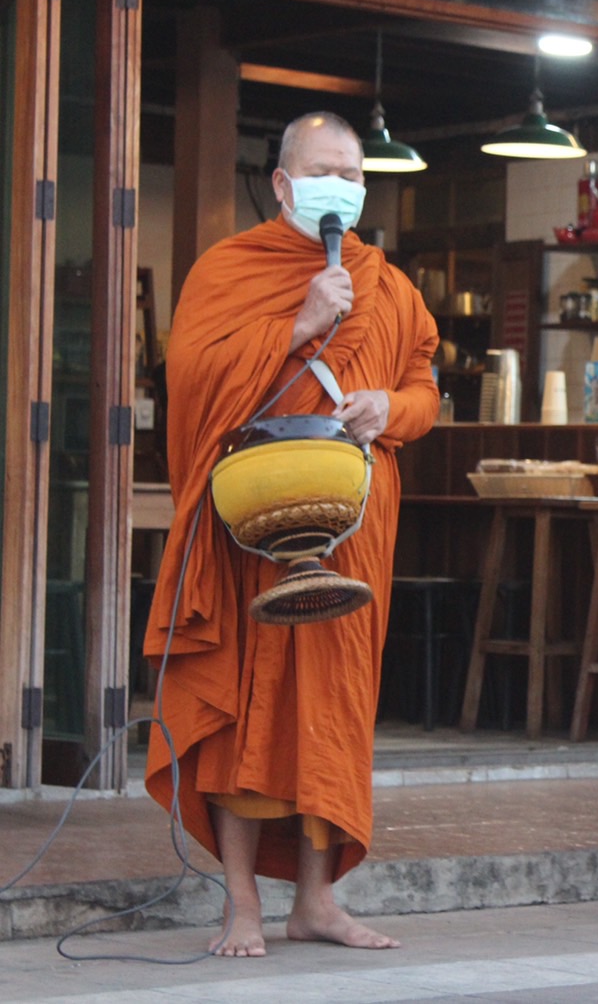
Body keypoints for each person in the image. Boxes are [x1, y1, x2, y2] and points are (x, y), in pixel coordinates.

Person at [143, 112, 440, 956]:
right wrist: (300, 324)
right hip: (254, 524)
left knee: (334, 709)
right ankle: (241, 901)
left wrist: (392, 409)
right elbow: (193, 384)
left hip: (353, 526)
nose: (341, 187)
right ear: (281, 184)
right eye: (324, 171)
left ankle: (317, 900)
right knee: (247, 706)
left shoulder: (389, 282)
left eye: (353, 174)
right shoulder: (228, 270)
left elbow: (424, 388)